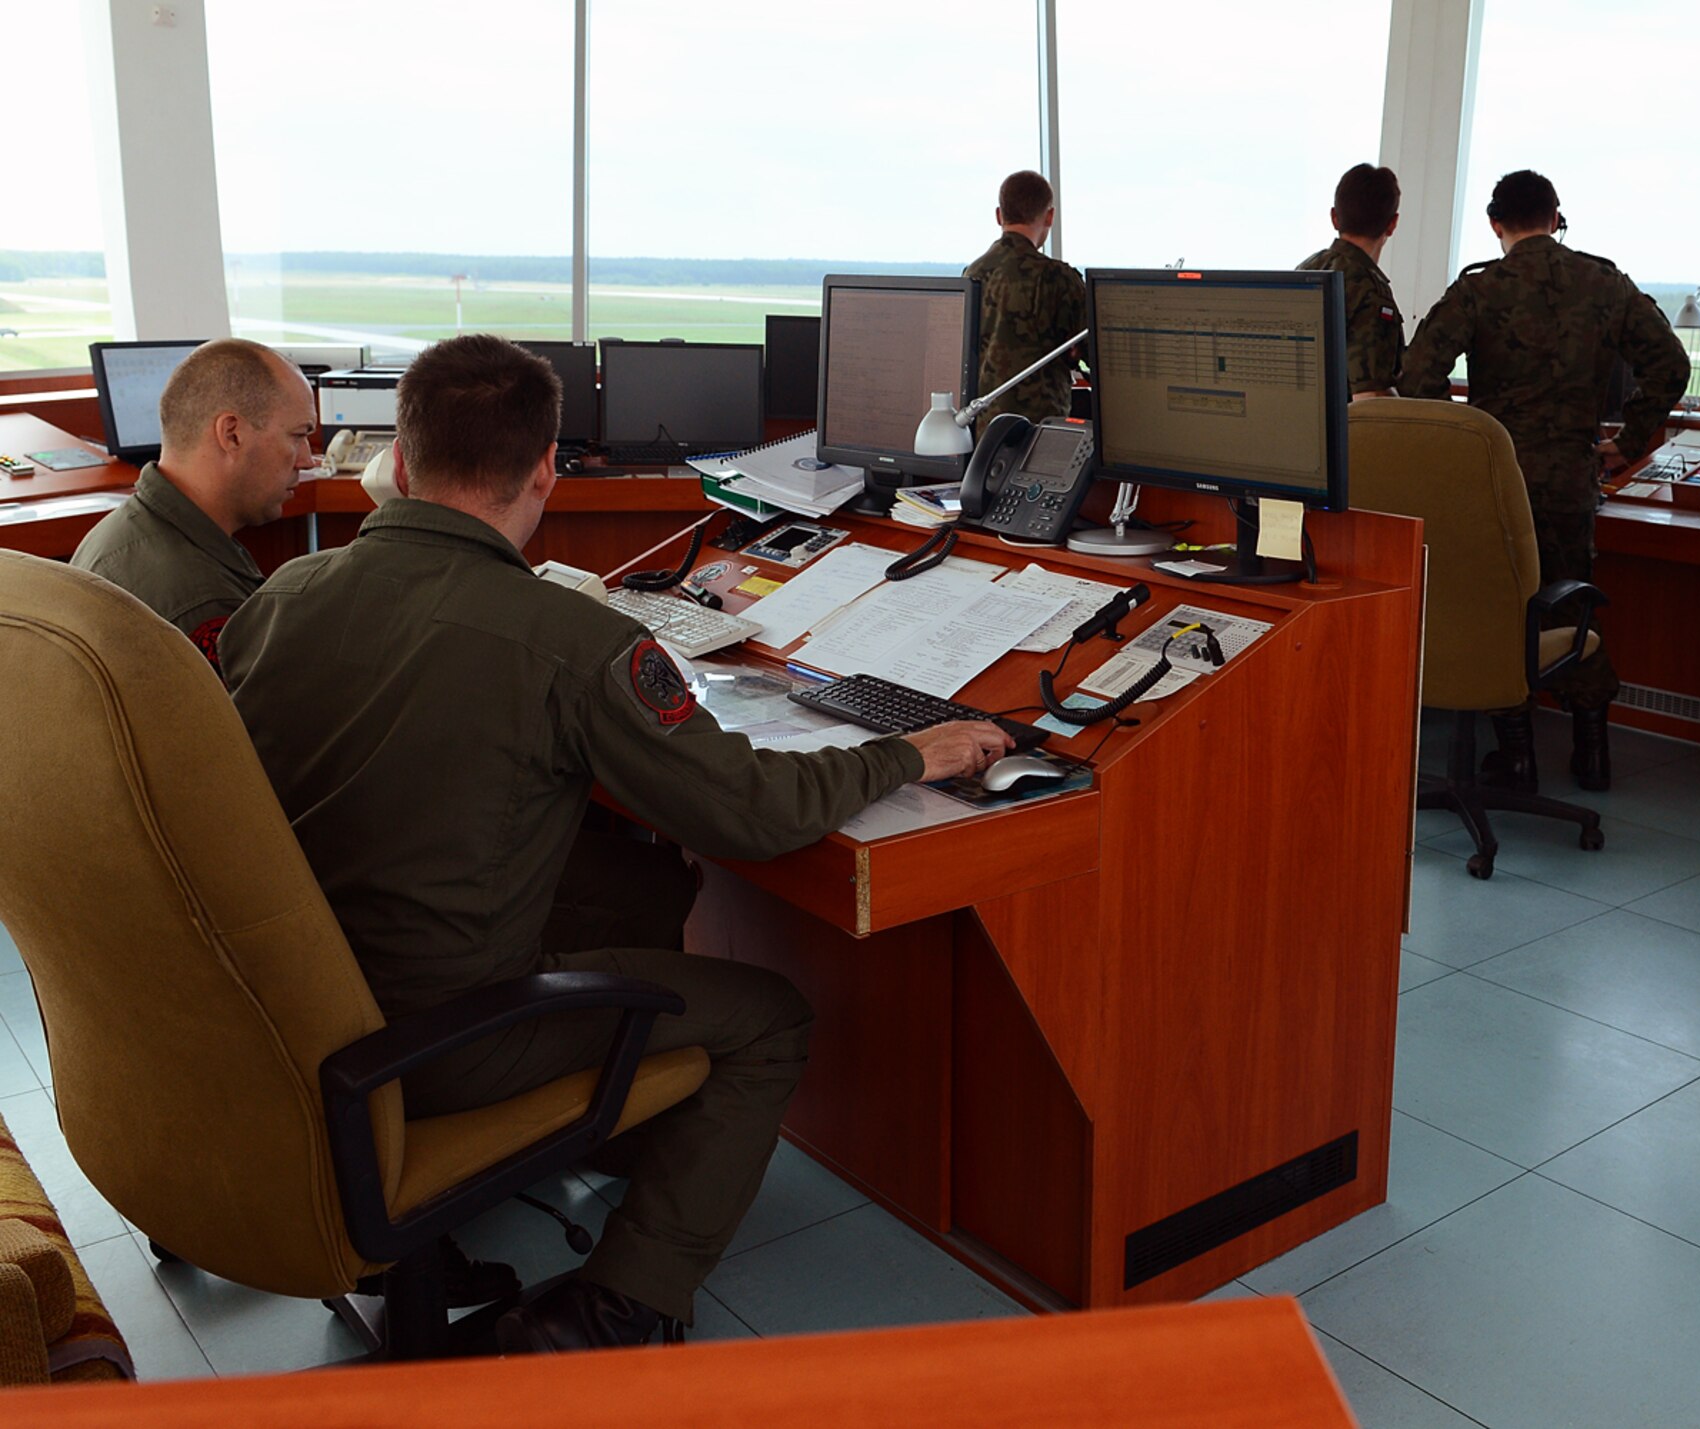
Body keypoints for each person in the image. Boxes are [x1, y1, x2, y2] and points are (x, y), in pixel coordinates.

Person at [220, 335, 1010, 1352]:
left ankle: (623, 1136)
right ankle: (620, 1304)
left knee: (637, 878)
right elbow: (751, 813)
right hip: (436, 1034)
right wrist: (910, 755)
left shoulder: (273, 602)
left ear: (402, 465)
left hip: (296, 1002)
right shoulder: (572, 643)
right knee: (768, 1018)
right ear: (546, 467)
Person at [1403, 170, 1689, 792]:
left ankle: (1516, 756)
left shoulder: (1481, 287)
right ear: (1556, 217)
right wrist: (1629, 444)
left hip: (1493, 481)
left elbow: (1416, 376)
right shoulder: (1604, 281)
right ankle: (1592, 752)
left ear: (1494, 222)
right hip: (1568, 479)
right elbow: (1671, 363)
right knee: (1575, 602)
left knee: (1501, 609)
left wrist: (1456, 445)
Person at [70, 338, 317, 665]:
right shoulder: (200, 600)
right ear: (232, 434)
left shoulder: (128, 531)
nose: (308, 461)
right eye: (298, 436)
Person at [963, 169, 1087, 431]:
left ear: (999, 215)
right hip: (1039, 431)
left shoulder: (972, 273)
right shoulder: (1057, 277)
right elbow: (1089, 351)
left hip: (979, 430)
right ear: (1050, 216)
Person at [1297, 162, 1406, 399]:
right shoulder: (1370, 291)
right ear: (1392, 224)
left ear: (1335, 217)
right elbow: (1370, 398)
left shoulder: (1304, 271)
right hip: (1345, 432)